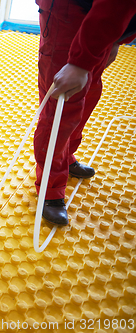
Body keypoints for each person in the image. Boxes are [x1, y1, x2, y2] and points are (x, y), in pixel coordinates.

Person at [34, 0, 136, 225]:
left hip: (102, 16)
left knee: (89, 93)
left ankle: (65, 156)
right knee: (62, 106)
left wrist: (117, 37)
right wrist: (80, 62)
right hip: (70, 11)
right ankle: (50, 188)